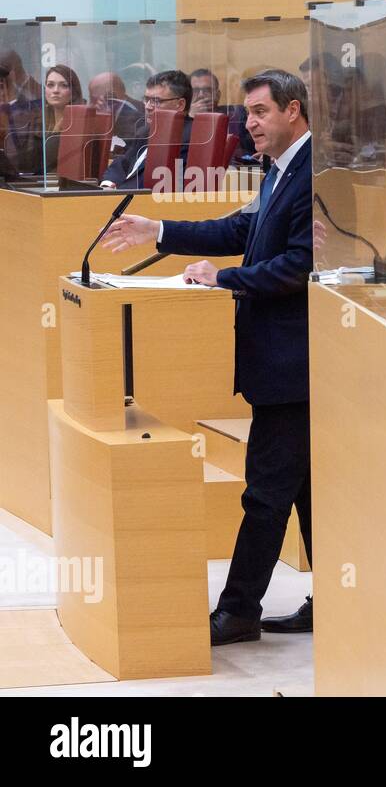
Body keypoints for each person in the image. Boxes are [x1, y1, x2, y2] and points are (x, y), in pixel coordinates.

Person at [100, 69, 314, 645]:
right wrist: (160, 228)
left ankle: (239, 611)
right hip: (282, 363)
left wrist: (226, 279)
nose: (250, 124)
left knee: (266, 492)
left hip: (296, 368)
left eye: (261, 113)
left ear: (293, 111)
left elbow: (300, 267)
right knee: (306, 487)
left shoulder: (314, 171)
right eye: (248, 113)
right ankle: (336, 598)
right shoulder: (280, 170)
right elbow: (240, 227)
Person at [99, 70, 194, 190]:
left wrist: (118, 192)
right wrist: (107, 184)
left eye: (156, 101)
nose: (148, 106)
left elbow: (160, 185)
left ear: (180, 104)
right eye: (146, 99)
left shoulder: (190, 138)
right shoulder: (146, 132)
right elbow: (121, 165)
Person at [4, 64, 85, 174]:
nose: (55, 90)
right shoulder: (37, 122)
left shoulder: (79, 123)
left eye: (63, 85)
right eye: (50, 85)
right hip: (33, 184)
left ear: (73, 92)